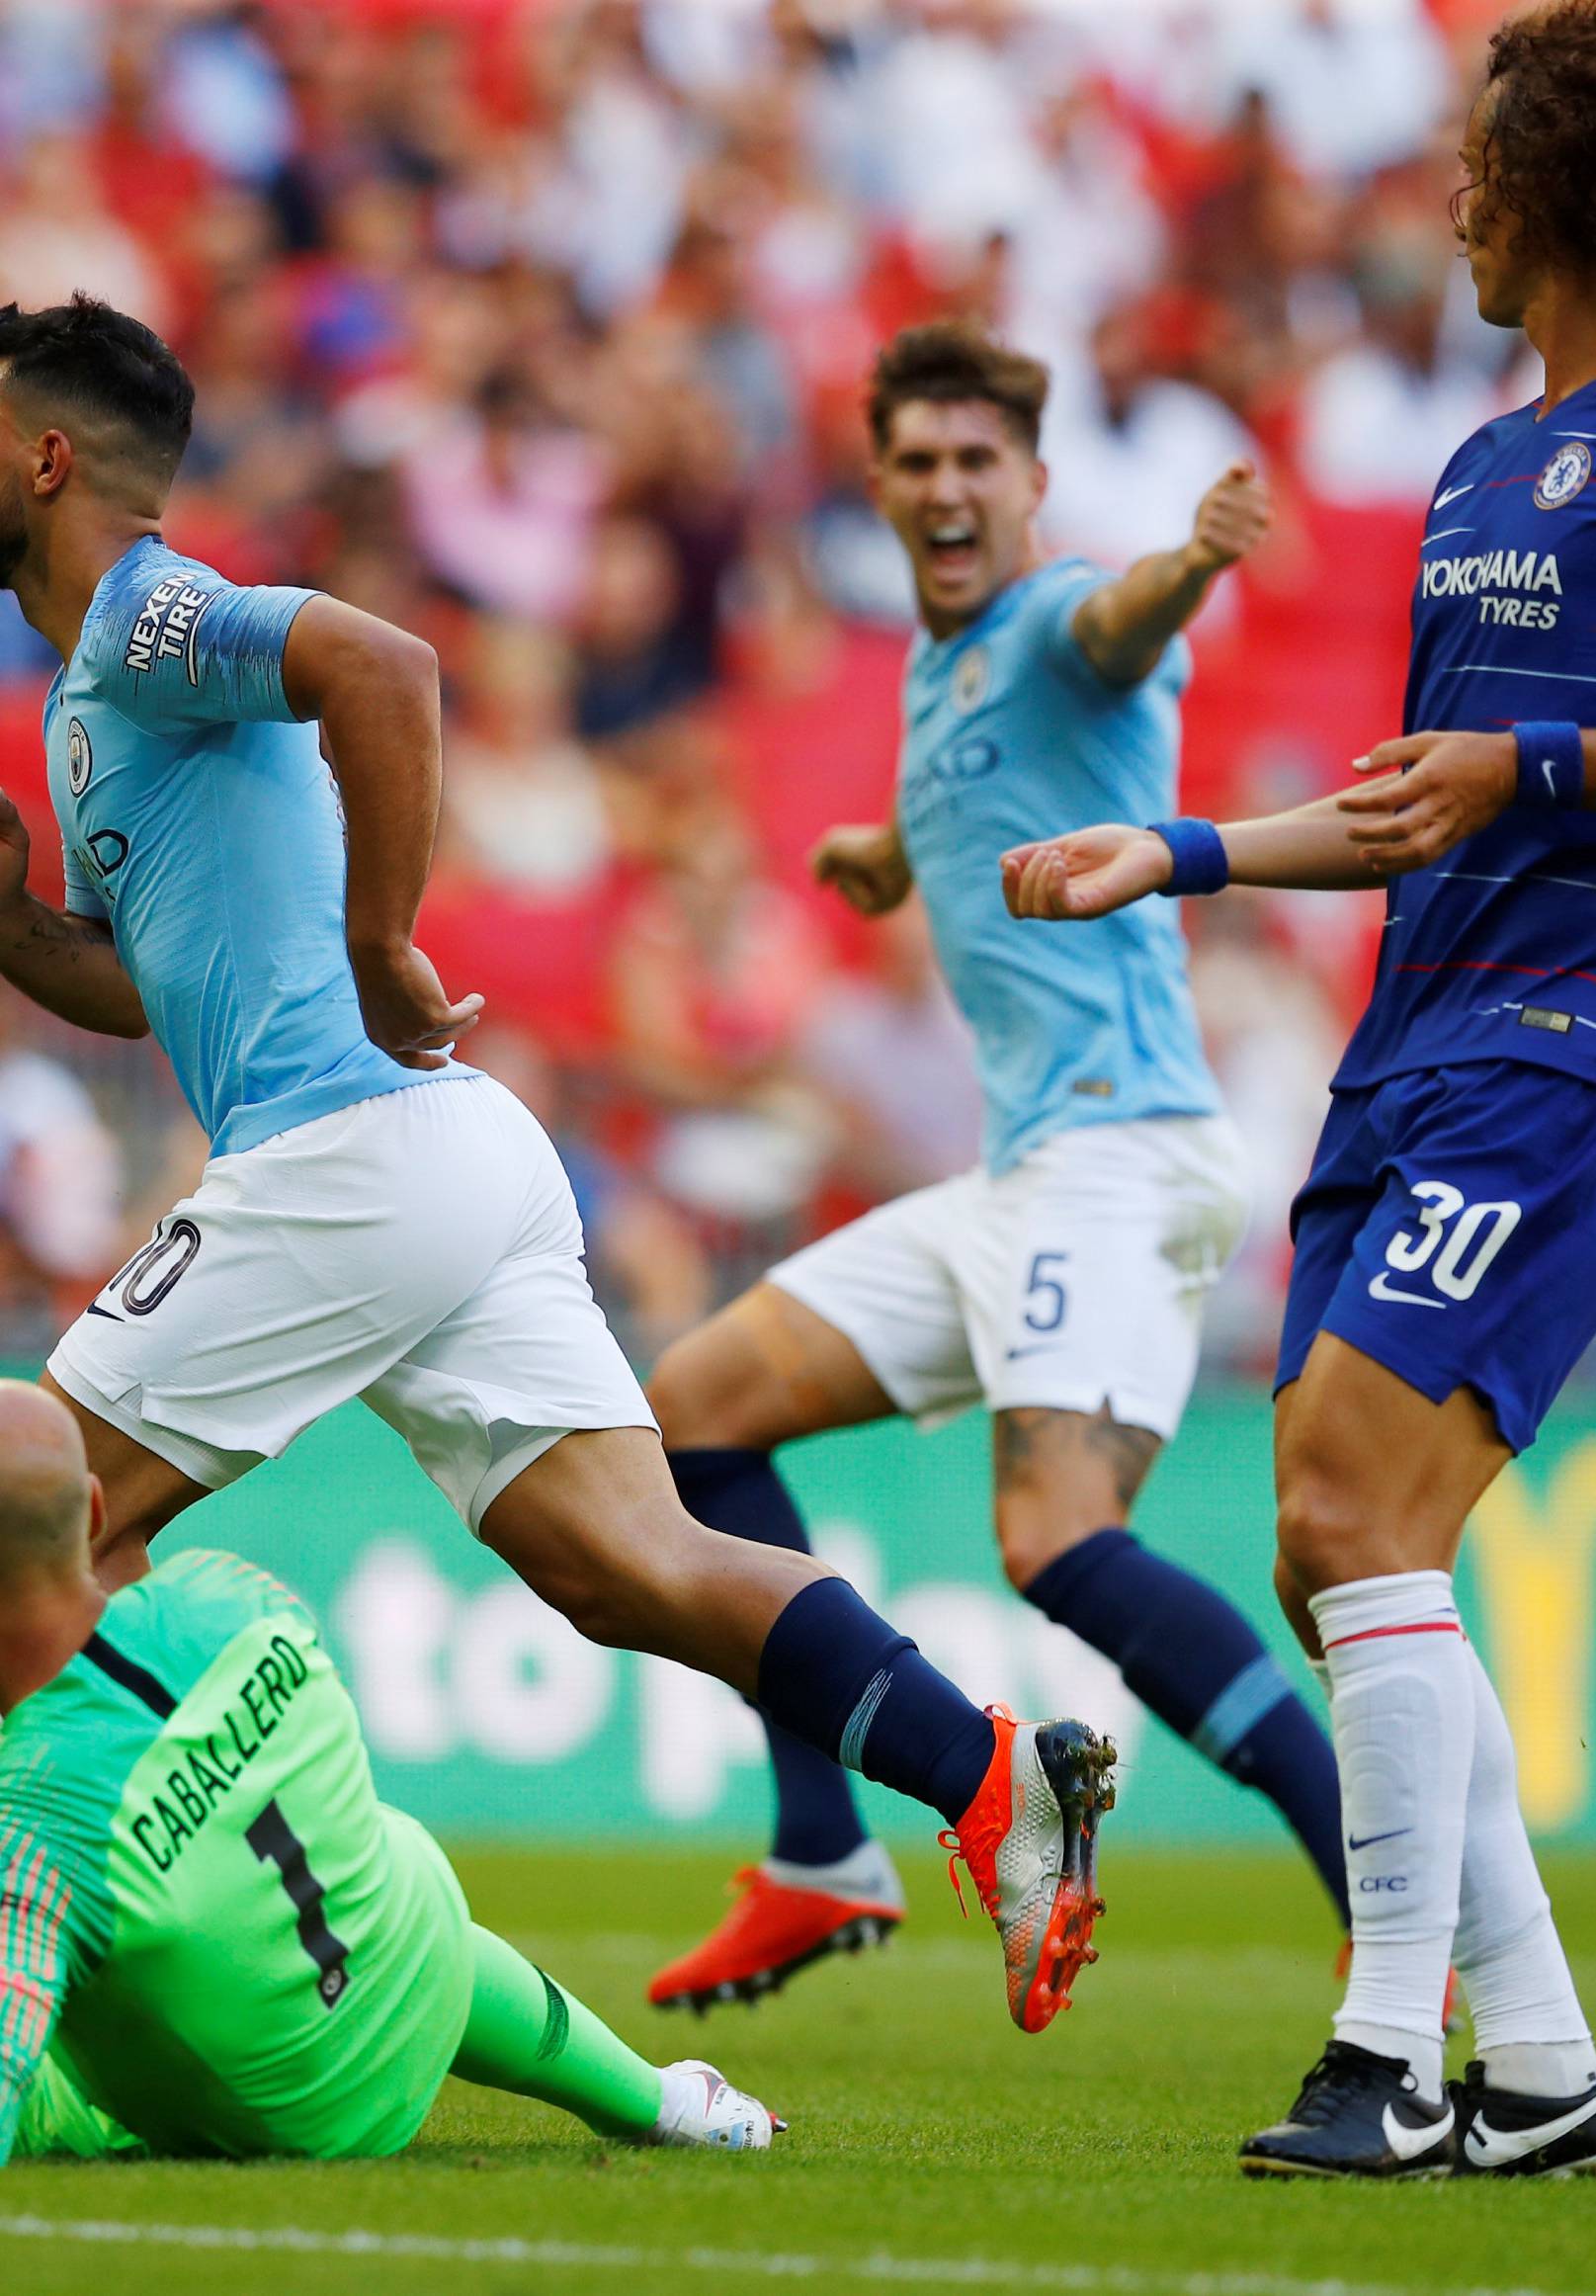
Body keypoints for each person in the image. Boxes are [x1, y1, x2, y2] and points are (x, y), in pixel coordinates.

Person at [0, 293, 1115, 2045]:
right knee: (634, 1566)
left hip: (344, 1160)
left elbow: (388, 663)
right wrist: (15, 921)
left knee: (39, 1513)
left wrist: (383, 938)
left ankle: (72, 1934)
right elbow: (152, 982)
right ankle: (990, 1777)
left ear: (46, 454)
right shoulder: (96, 687)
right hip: (443, 1163)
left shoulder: (147, 611)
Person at [1000, 0, 1596, 2179]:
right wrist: (1177, 856)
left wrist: (1542, 764)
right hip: (1417, 1033)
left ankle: (1389, 2051)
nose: (1456, 199)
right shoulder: (1485, 464)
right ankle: (1550, 2069)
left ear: (1566, 176)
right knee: (1330, 1535)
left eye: (1485, 164)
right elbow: (1410, 807)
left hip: (1583, 1029)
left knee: (1351, 1495)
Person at [642, 320, 1349, 2017]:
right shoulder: (935, 662)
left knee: (1053, 1534)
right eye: (919, 460)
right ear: (879, 484)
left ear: (1032, 484)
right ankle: (825, 1855)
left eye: (981, 461)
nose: (950, 487)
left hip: (1125, 1150)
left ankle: (1381, 1879)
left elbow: (1113, 630)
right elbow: (985, 783)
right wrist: (887, 856)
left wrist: (1189, 560)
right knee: (693, 1409)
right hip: (1026, 1169)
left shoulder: (1058, 615)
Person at [0, 1381, 776, 2166]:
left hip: (298, 2126)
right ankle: (667, 2100)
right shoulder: (236, 1595)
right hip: (411, 1973)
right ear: (95, 1511)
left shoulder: (32, 1827)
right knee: (378, 1854)